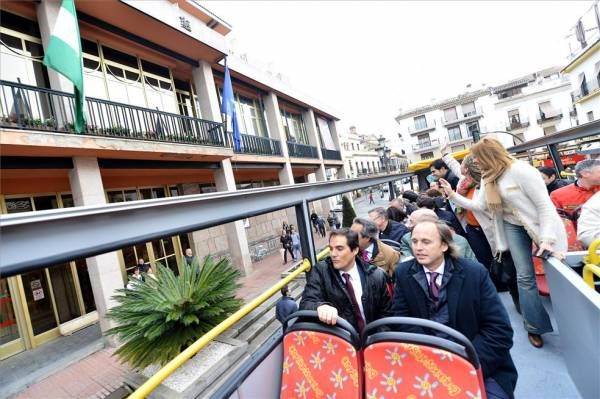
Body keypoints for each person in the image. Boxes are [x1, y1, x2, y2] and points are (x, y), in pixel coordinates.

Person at [439, 137, 567, 348]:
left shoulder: (522, 171)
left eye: (478, 158)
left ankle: (573, 321)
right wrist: (452, 195)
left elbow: (544, 206)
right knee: (524, 276)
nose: (475, 163)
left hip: (539, 223)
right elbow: (479, 206)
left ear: (489, 156)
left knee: (557, 273)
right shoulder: (488, 177)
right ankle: (534, 327)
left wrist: (546, 239)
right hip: (511, 225)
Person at [393, 220, 517, 399]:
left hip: (477, 362)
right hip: (427, 363)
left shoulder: (474, 273)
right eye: (414, 241)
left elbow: (499, 330)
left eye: (426, 242)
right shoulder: (404, 273)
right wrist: (430, 362)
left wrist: (465, 364)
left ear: (444, 245)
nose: (418, 248)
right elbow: (403, 322)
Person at [299, 229, 392, 332]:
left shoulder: (376, 276)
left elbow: (386, 314)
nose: (333, 254)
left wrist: (375, 341)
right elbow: (306, 303)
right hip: (340, 341)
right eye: (331, 248)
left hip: (372, 341)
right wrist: (320, 307)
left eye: (339, 249)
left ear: (355, 250)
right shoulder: (321, 271)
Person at [400, 208, 476, 262]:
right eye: (415, 241)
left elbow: (471, 268)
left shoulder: (459, 241)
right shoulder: (407, 239)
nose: (408, 225)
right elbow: (406, 262)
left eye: (412, 222)